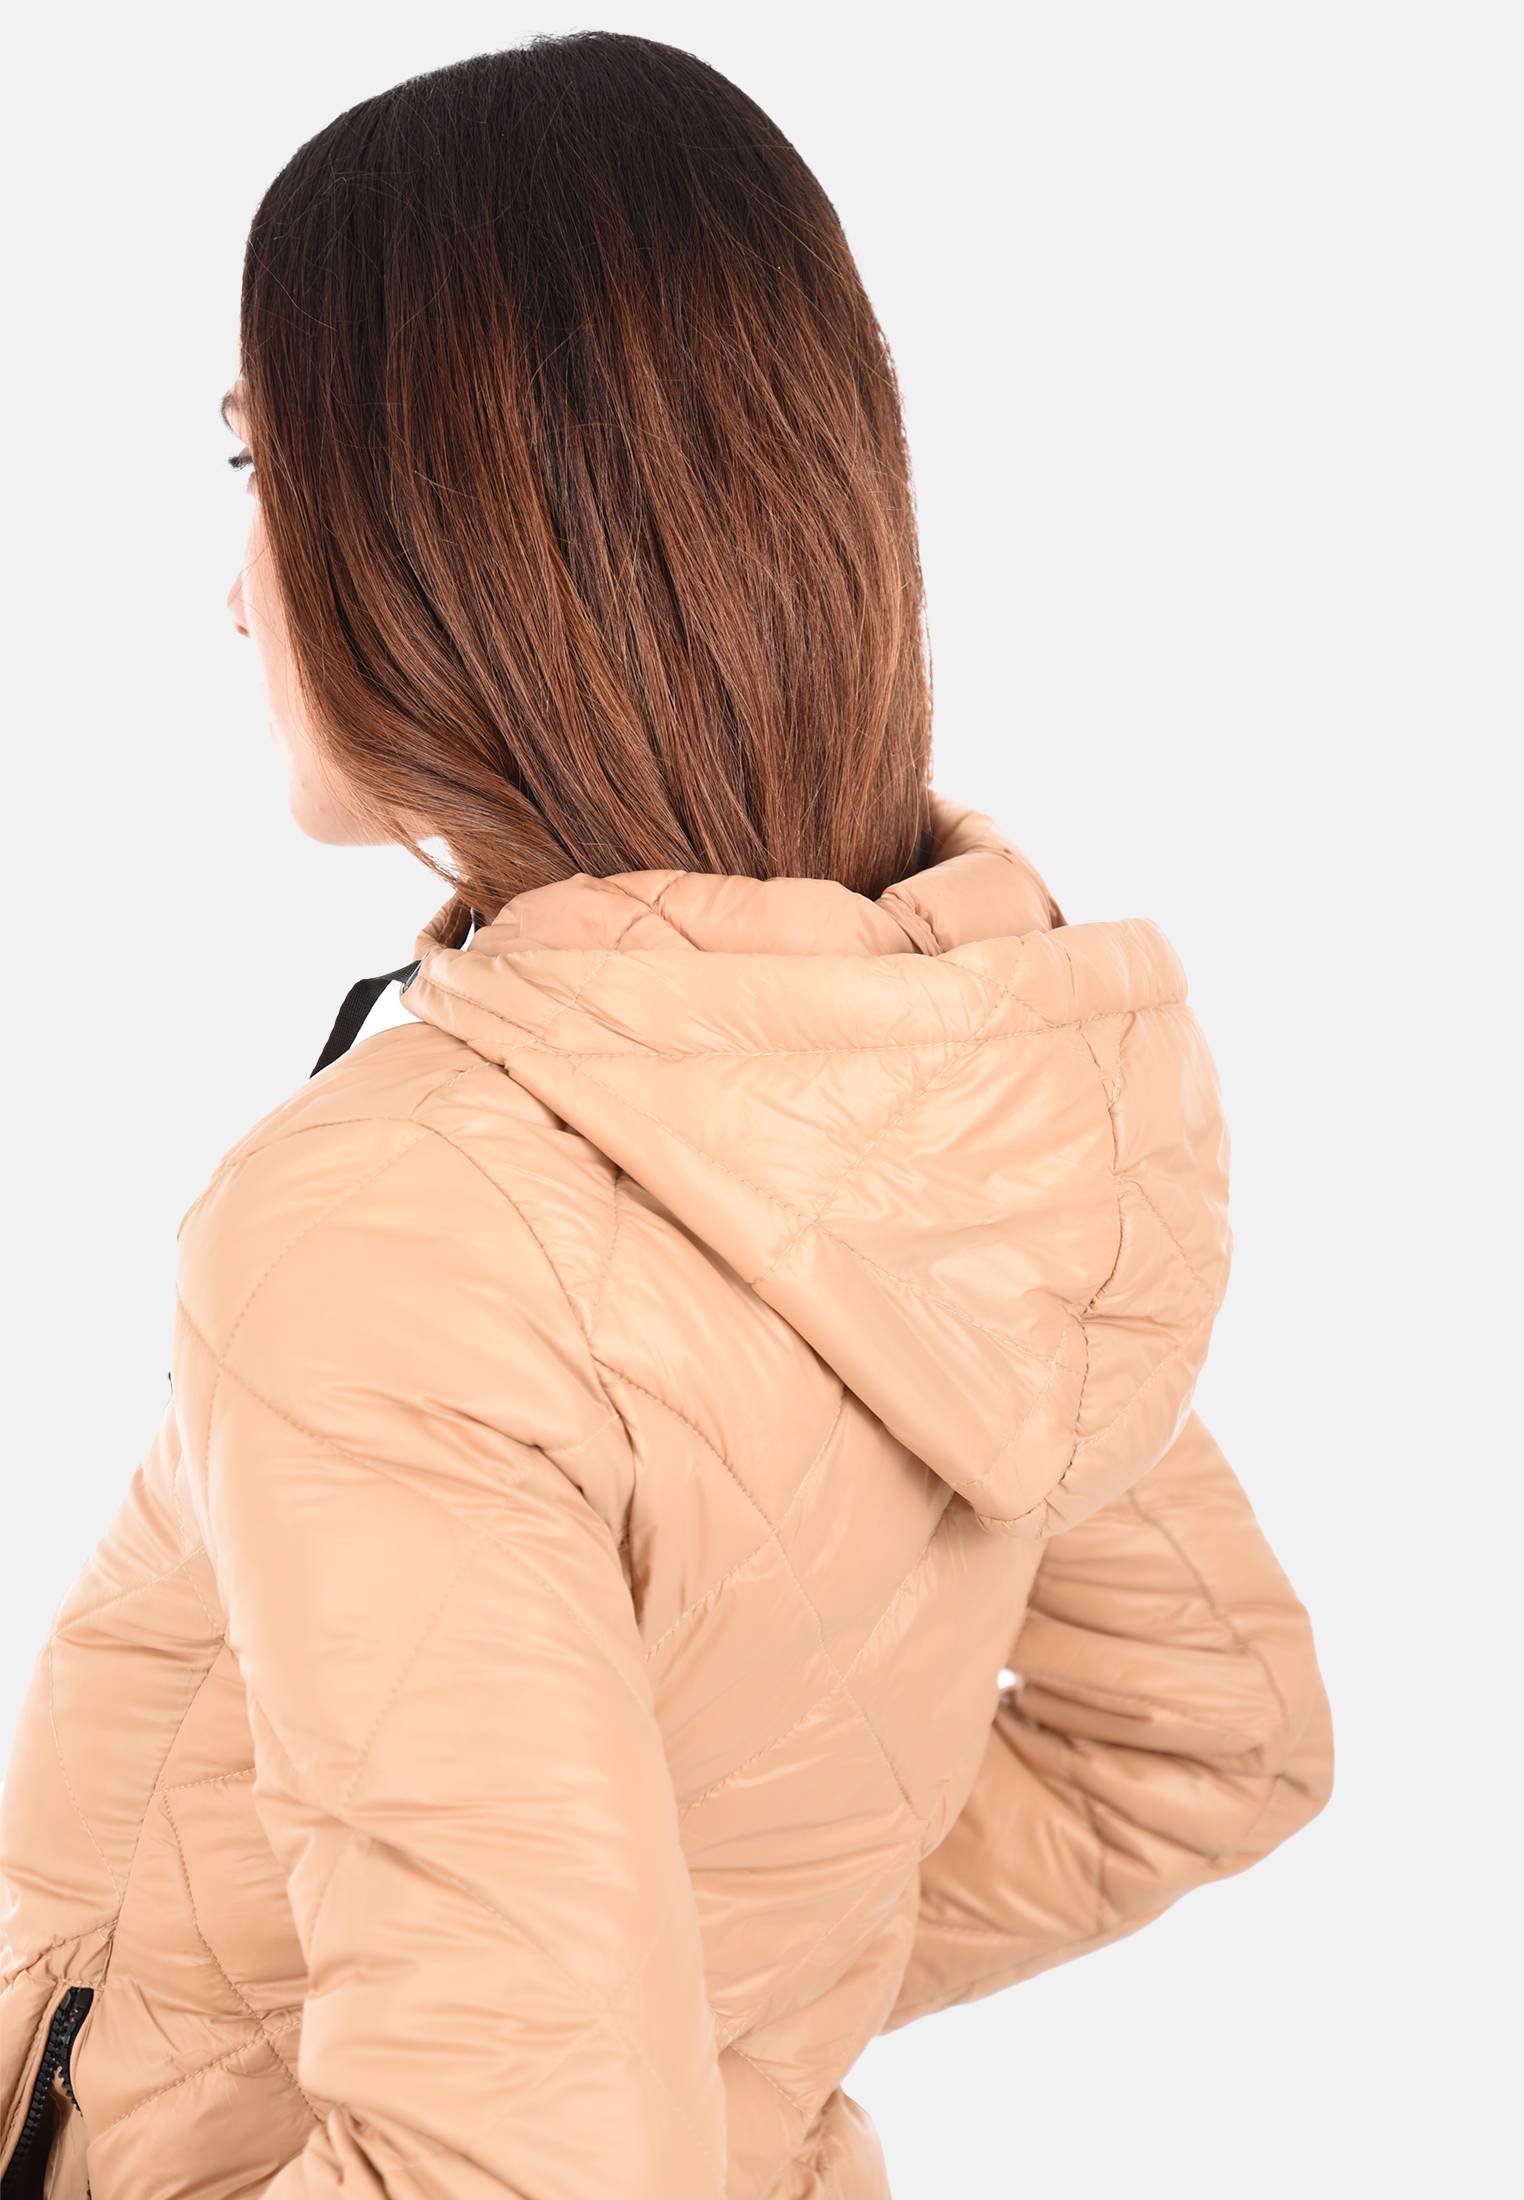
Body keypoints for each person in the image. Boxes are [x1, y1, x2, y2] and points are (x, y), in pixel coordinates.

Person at [0, 32, 1332, 2200]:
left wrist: (610, 2050)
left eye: (261, 465)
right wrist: (679, 2026)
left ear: (451, 528)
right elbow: (1208, 1738)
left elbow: (518, 2163)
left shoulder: (382, 1234)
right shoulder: (943, 1104)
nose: (234, 582)